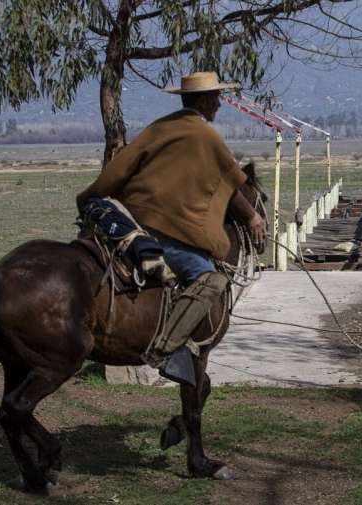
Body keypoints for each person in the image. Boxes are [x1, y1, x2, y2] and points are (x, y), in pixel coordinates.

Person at [76, 71, 267, 385]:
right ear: (204, 100)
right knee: (210, 280)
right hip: (162, 232)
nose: (219, 103)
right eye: (216, 97)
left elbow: (122, 168)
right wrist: (253, 218)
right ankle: (166, 350)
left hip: (131, 222)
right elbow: (231, 185)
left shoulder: (159, 129)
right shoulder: (205, 137)